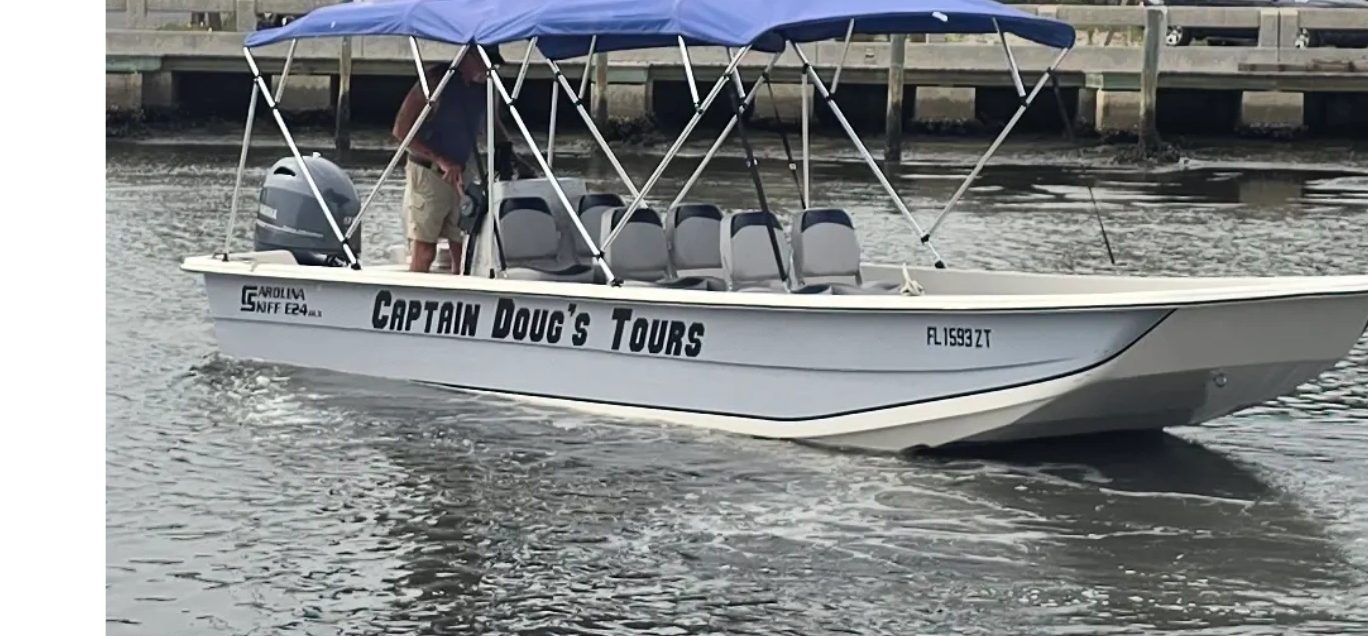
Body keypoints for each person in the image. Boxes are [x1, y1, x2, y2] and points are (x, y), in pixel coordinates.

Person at [391, 46, 511, 274]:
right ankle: (416, 293)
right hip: (429, 173)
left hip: (463, 172)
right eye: (484, 62)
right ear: (468, 56)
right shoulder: (436, 81)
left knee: (464, 246)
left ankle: (461, 295)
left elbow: (492, 125)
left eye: (492, 64)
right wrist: (441, 160)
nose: (488, 69)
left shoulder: (486, 88)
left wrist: (509, 153)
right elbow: (401, 130)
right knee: (425, 249)